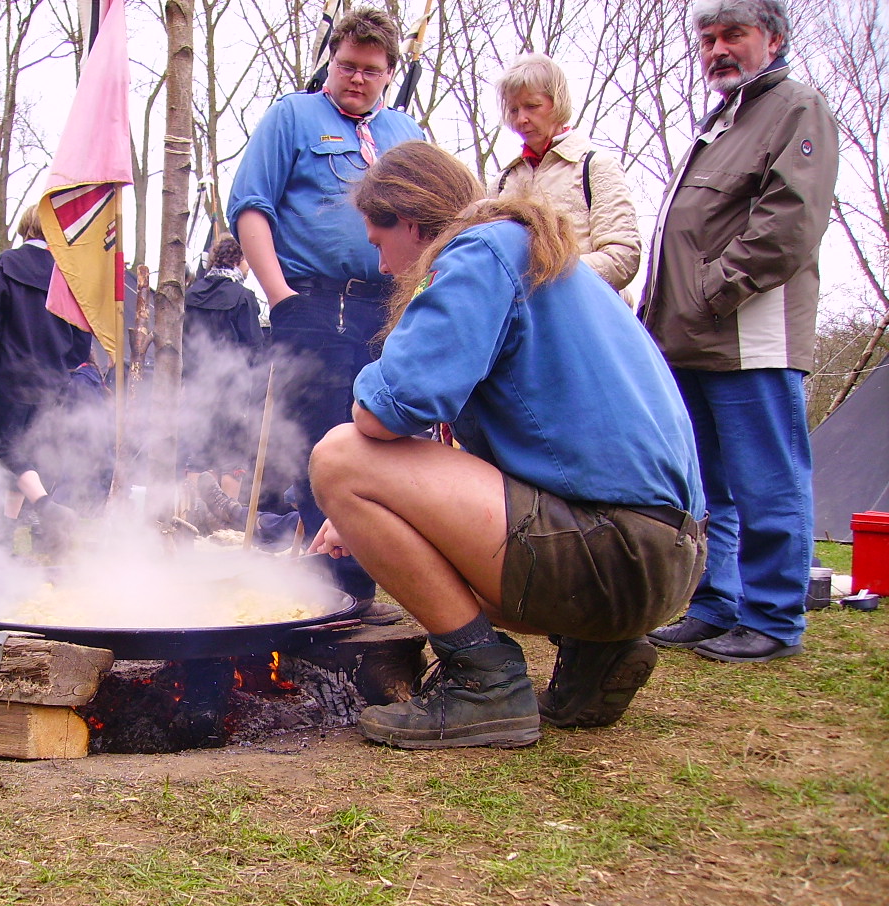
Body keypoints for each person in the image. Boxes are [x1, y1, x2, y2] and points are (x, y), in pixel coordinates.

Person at [308, 141, 706, 749]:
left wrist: (358, 492)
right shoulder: (544, 258)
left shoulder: (479, 251)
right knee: (377, 480)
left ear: (410, 222)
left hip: (614, 554)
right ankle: (597, 653)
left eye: (379, 243)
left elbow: (386, 410)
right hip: (668, 558)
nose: (383, 267)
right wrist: (371, 521)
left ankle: (483, 682)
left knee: (341, 457)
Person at [641, 0, 838, 664]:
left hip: (753, 337)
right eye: (708, 38)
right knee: (707, 489)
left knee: (767, 483)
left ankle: (774, 618)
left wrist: (715, 289)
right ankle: (714, 604)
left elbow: (790, 221)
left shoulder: (796, 108)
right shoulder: (723, 120)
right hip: (688, 339)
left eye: (734, 34)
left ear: (773, 39)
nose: (717, 49)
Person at [227, 7, 425, 624]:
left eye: (371, 70)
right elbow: (250, 207)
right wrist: (280, 296)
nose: (356, 78)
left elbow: (429, 221)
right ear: (330, 61)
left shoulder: (405, 133)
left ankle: (362, 584)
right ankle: (329, 593)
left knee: (384, 442)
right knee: (321, 445)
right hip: (312, 305)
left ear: (389, 72)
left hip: (388, 309)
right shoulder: (292, 116)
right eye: (346, 65)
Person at [0, 205, 86, 554]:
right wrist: (62, 365)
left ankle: (46, 508)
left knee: (5, 449)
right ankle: (3, 536)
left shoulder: (5, 264)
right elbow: (82, 339)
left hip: (11, 374)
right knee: (30, 455)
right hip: (54, 380)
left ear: (25, 228)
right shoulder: (69, 274)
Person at [488, 53, 641, 294]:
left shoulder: (595, 166)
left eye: (532, 106)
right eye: (513, 110)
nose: (521, 119)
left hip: (583, 309)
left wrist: (545, 277)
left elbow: (621, 259)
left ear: (557, 102)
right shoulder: (502, 182)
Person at [182, 235, 262, 483]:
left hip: (196, 386)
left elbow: (183, 342)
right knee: (232, 456)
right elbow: (254, 347)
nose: (249, 268)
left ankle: (191, 507)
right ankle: (227, 508)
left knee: (197, 451)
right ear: (237, 259)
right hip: (233, 389)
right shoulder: (243, 296)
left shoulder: (190, 294)